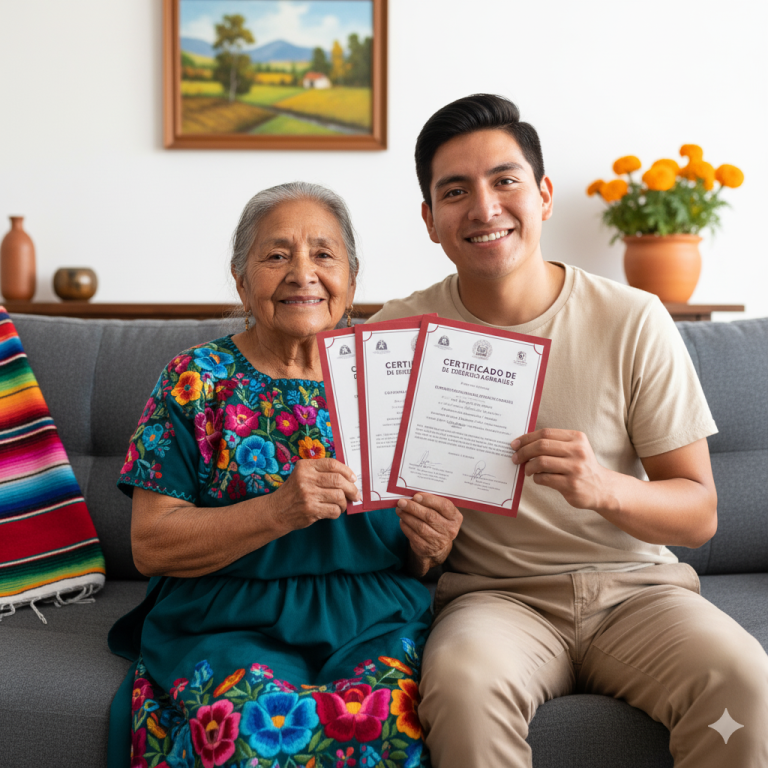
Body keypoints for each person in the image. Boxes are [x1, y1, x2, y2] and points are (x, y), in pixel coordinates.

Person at [370, 94, 768, 767]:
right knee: (461, 689)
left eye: (506, 181)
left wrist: (603, 488)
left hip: (638, 594)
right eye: (455, 191)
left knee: (743, 679)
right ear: (430, 219)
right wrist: (421, 549)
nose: (485, 208)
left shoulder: (633, 319)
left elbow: (698, 514)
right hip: (493, 601)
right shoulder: (393, 338)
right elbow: (375, 530)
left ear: (545, 194)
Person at [107, 182, 432, 768]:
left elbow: (413, 550)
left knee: (392, 724)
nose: (302, 273)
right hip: (227, 616)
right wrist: (278, 510)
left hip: (374, 617)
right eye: (276, 255)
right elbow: (151, 544)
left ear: (352, 281)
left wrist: (433, 546)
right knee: (253, 729)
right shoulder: (194, 378)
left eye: (324, 254)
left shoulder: (393, 377)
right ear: (241, 280)